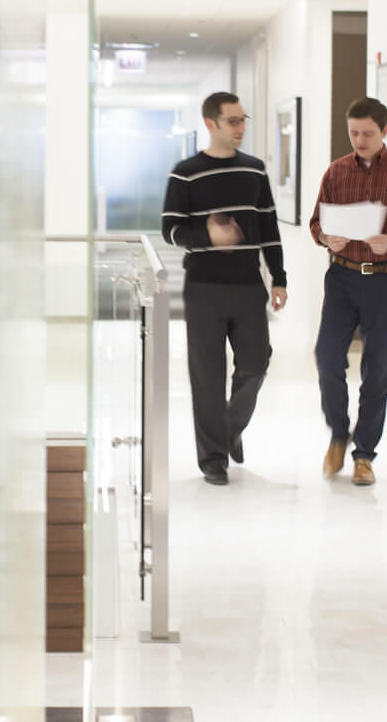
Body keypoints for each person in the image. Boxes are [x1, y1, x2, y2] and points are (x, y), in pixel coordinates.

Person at [162, 91, 288, 486]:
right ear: (210, 123)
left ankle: (229, 427)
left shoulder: (254, 170)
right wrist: (207, 236)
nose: (240, 127)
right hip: (203, 287)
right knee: (207, 376)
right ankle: (213, 459)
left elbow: (268, 227)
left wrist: (279, 277)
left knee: (256, 363)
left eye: (242, 120)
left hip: (248, 285)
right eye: (232, 121)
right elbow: (170, 230)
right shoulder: (185, 173)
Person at [310, 97, 387, 486]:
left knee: (377, 368)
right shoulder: (336, 172)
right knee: (327, 356)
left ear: (384, 131)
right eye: (353, 133)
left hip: (386, 280)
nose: (359, 141)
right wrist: (326, 238)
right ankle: (338, 433)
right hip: (341, 277)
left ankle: (364, 455)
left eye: (367, 133)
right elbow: (316, 223)